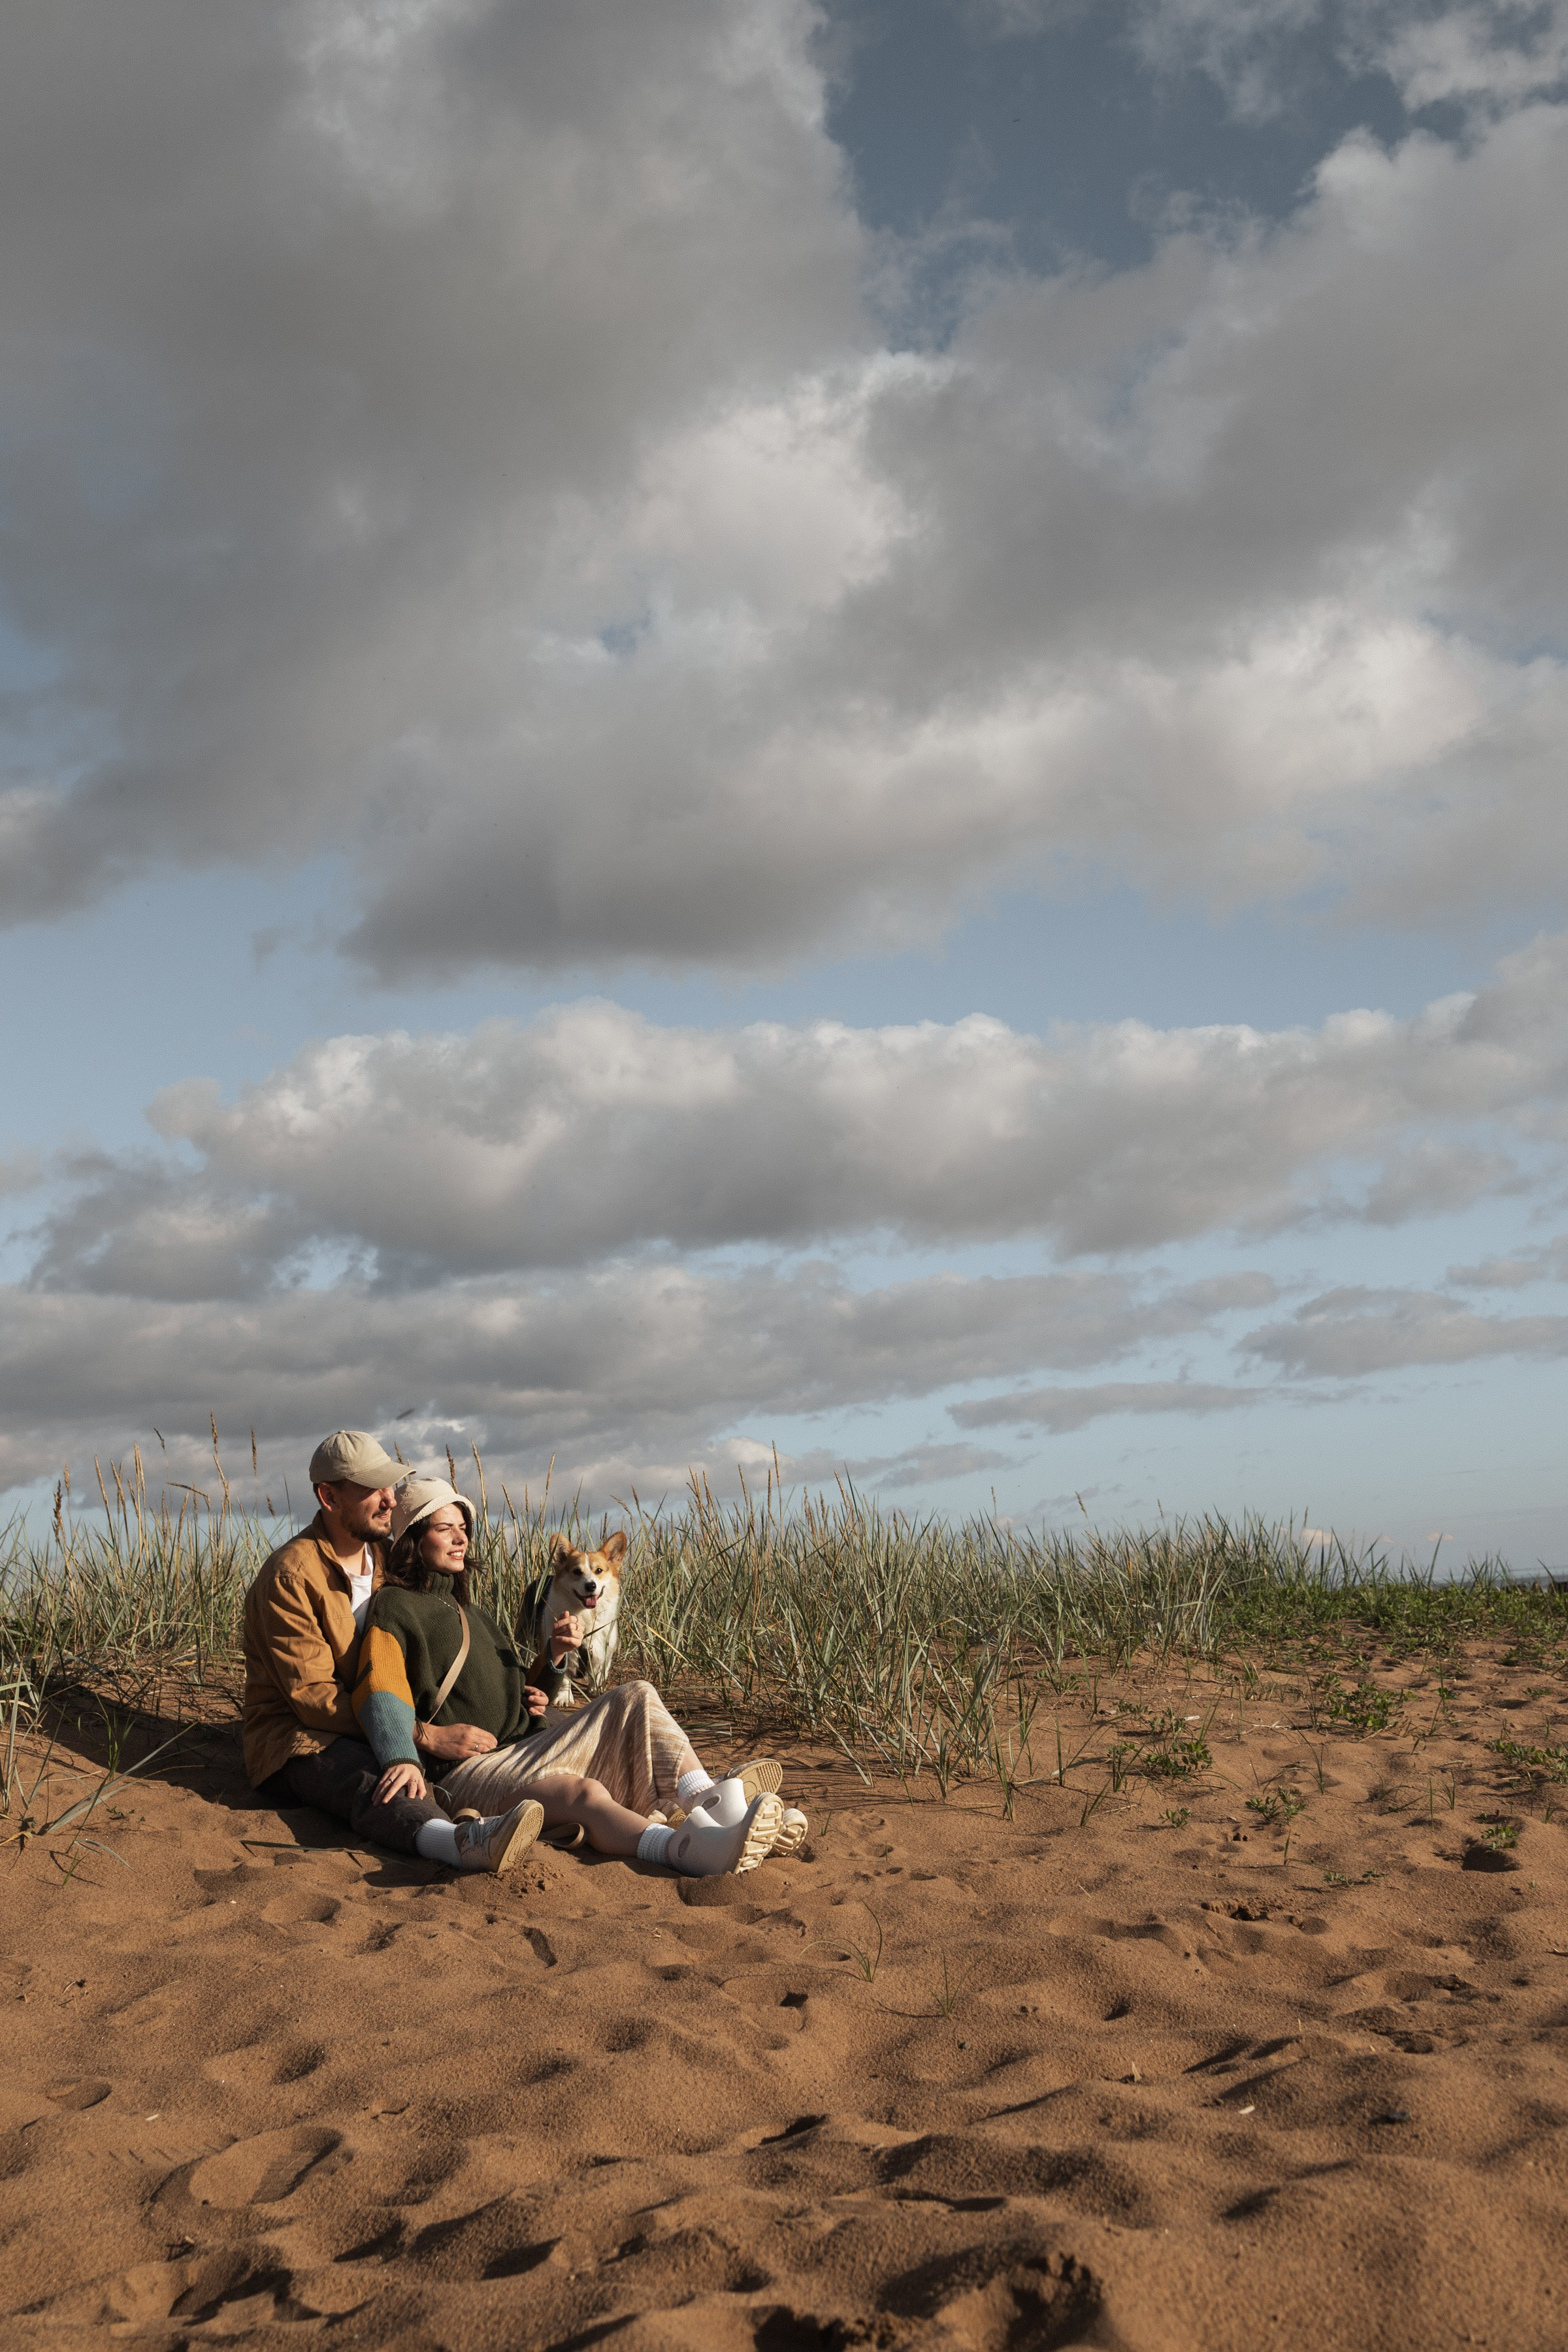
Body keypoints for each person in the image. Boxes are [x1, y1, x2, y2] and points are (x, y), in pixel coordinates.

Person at [355, 1477, 806, 1878]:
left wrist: (553, 1658)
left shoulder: (472, 1613)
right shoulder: (396, 1606)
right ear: (413, 1538)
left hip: (524, 1746)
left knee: (638, 1695)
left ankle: (717, 1808)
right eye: (444, 1529)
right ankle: (685, 1848)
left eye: (464, 1528)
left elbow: (522, 1695)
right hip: (467, 1773)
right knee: (581, 1792)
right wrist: (414, 1744)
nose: (461, 1539)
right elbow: (381, 1688)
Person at [242, 1429, 540, 1873]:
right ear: (329, 1497)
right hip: (302, 1736)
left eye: (390, 1486)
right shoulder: (290, 1577)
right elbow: (314, 1701)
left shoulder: (388, 1556)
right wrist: (421, 1734)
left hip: (389, 1713)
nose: (389, 1500)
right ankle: (459, 1841)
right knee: (373, 1774)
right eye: (373, 1490)